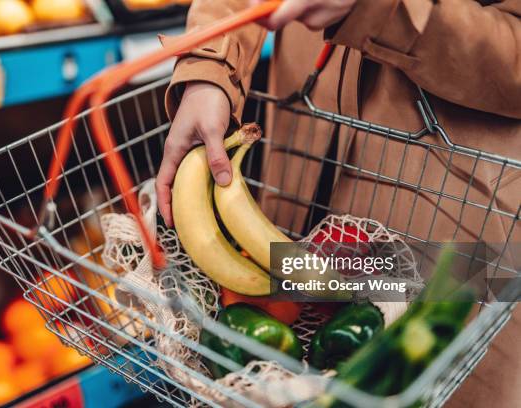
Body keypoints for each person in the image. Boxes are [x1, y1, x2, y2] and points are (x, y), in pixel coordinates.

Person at [156, 0, 520, 406]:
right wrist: (210, 68)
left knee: (419, 383)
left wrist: (385, 10)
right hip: (300, 154)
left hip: (451, 210)